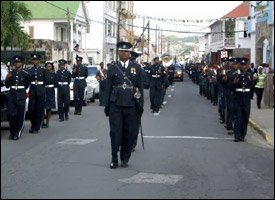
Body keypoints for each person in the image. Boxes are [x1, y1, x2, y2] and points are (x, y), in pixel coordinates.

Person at [104, 41, 144, 168]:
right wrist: (107, 105)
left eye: (126, 51)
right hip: (115, 104)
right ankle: (114, 159)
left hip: (131, 105)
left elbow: (140, 88)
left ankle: (125, 158)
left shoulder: (136, 68)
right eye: (122, 51)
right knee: (115, 132)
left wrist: (140, 104)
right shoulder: (112, 68)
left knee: (129, 133)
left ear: (130, 53)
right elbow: (108, 88)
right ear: (118, 52)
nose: (124, 53)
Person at [5, 56, 30, 140]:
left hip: (21, 96)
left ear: (21, 63)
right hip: (12, 96)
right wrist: (7, 78)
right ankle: (12, 131)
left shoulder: (25, 74)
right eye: (15, 62)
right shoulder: (11, 73)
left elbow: (26, 86)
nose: (16, 63)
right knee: (10, 114)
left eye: (18, 62)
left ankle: (17, 132)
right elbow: (7, 85)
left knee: (20, 116)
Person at [233, 58, 253, 142]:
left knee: (245, 117)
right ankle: (237, 136)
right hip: (238, 99)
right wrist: (235, 82)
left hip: (246, 99)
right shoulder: (235, 75)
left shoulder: (249, 75)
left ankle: (242, 134)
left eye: (244, 65)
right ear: (239, 66)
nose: (243, 66)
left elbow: (252, 86)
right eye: (241, 65)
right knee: (238, 117)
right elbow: (231, 86)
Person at [28, 53, 46, 134]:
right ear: (32, 61)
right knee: (31, 109)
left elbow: (46, 81)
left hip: (40, 90)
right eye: (33, 60)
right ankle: (33, 124)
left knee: (39, 109)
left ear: (39, 61)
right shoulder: (29, 70)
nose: (35, 61)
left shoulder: (43, 70)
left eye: (36, 60)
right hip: (32, 90)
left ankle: (36, 127)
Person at [42, 61, 56, 128]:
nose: (48, 67)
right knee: (42, 107)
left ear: (52, 67)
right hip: (44, 90)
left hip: (50, 90)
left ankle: (47, 123)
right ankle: (42, 122)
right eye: (47, 66)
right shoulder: (43, 74)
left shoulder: (53, 74)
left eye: (50, 66)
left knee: (49, 108)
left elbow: (55, 83)